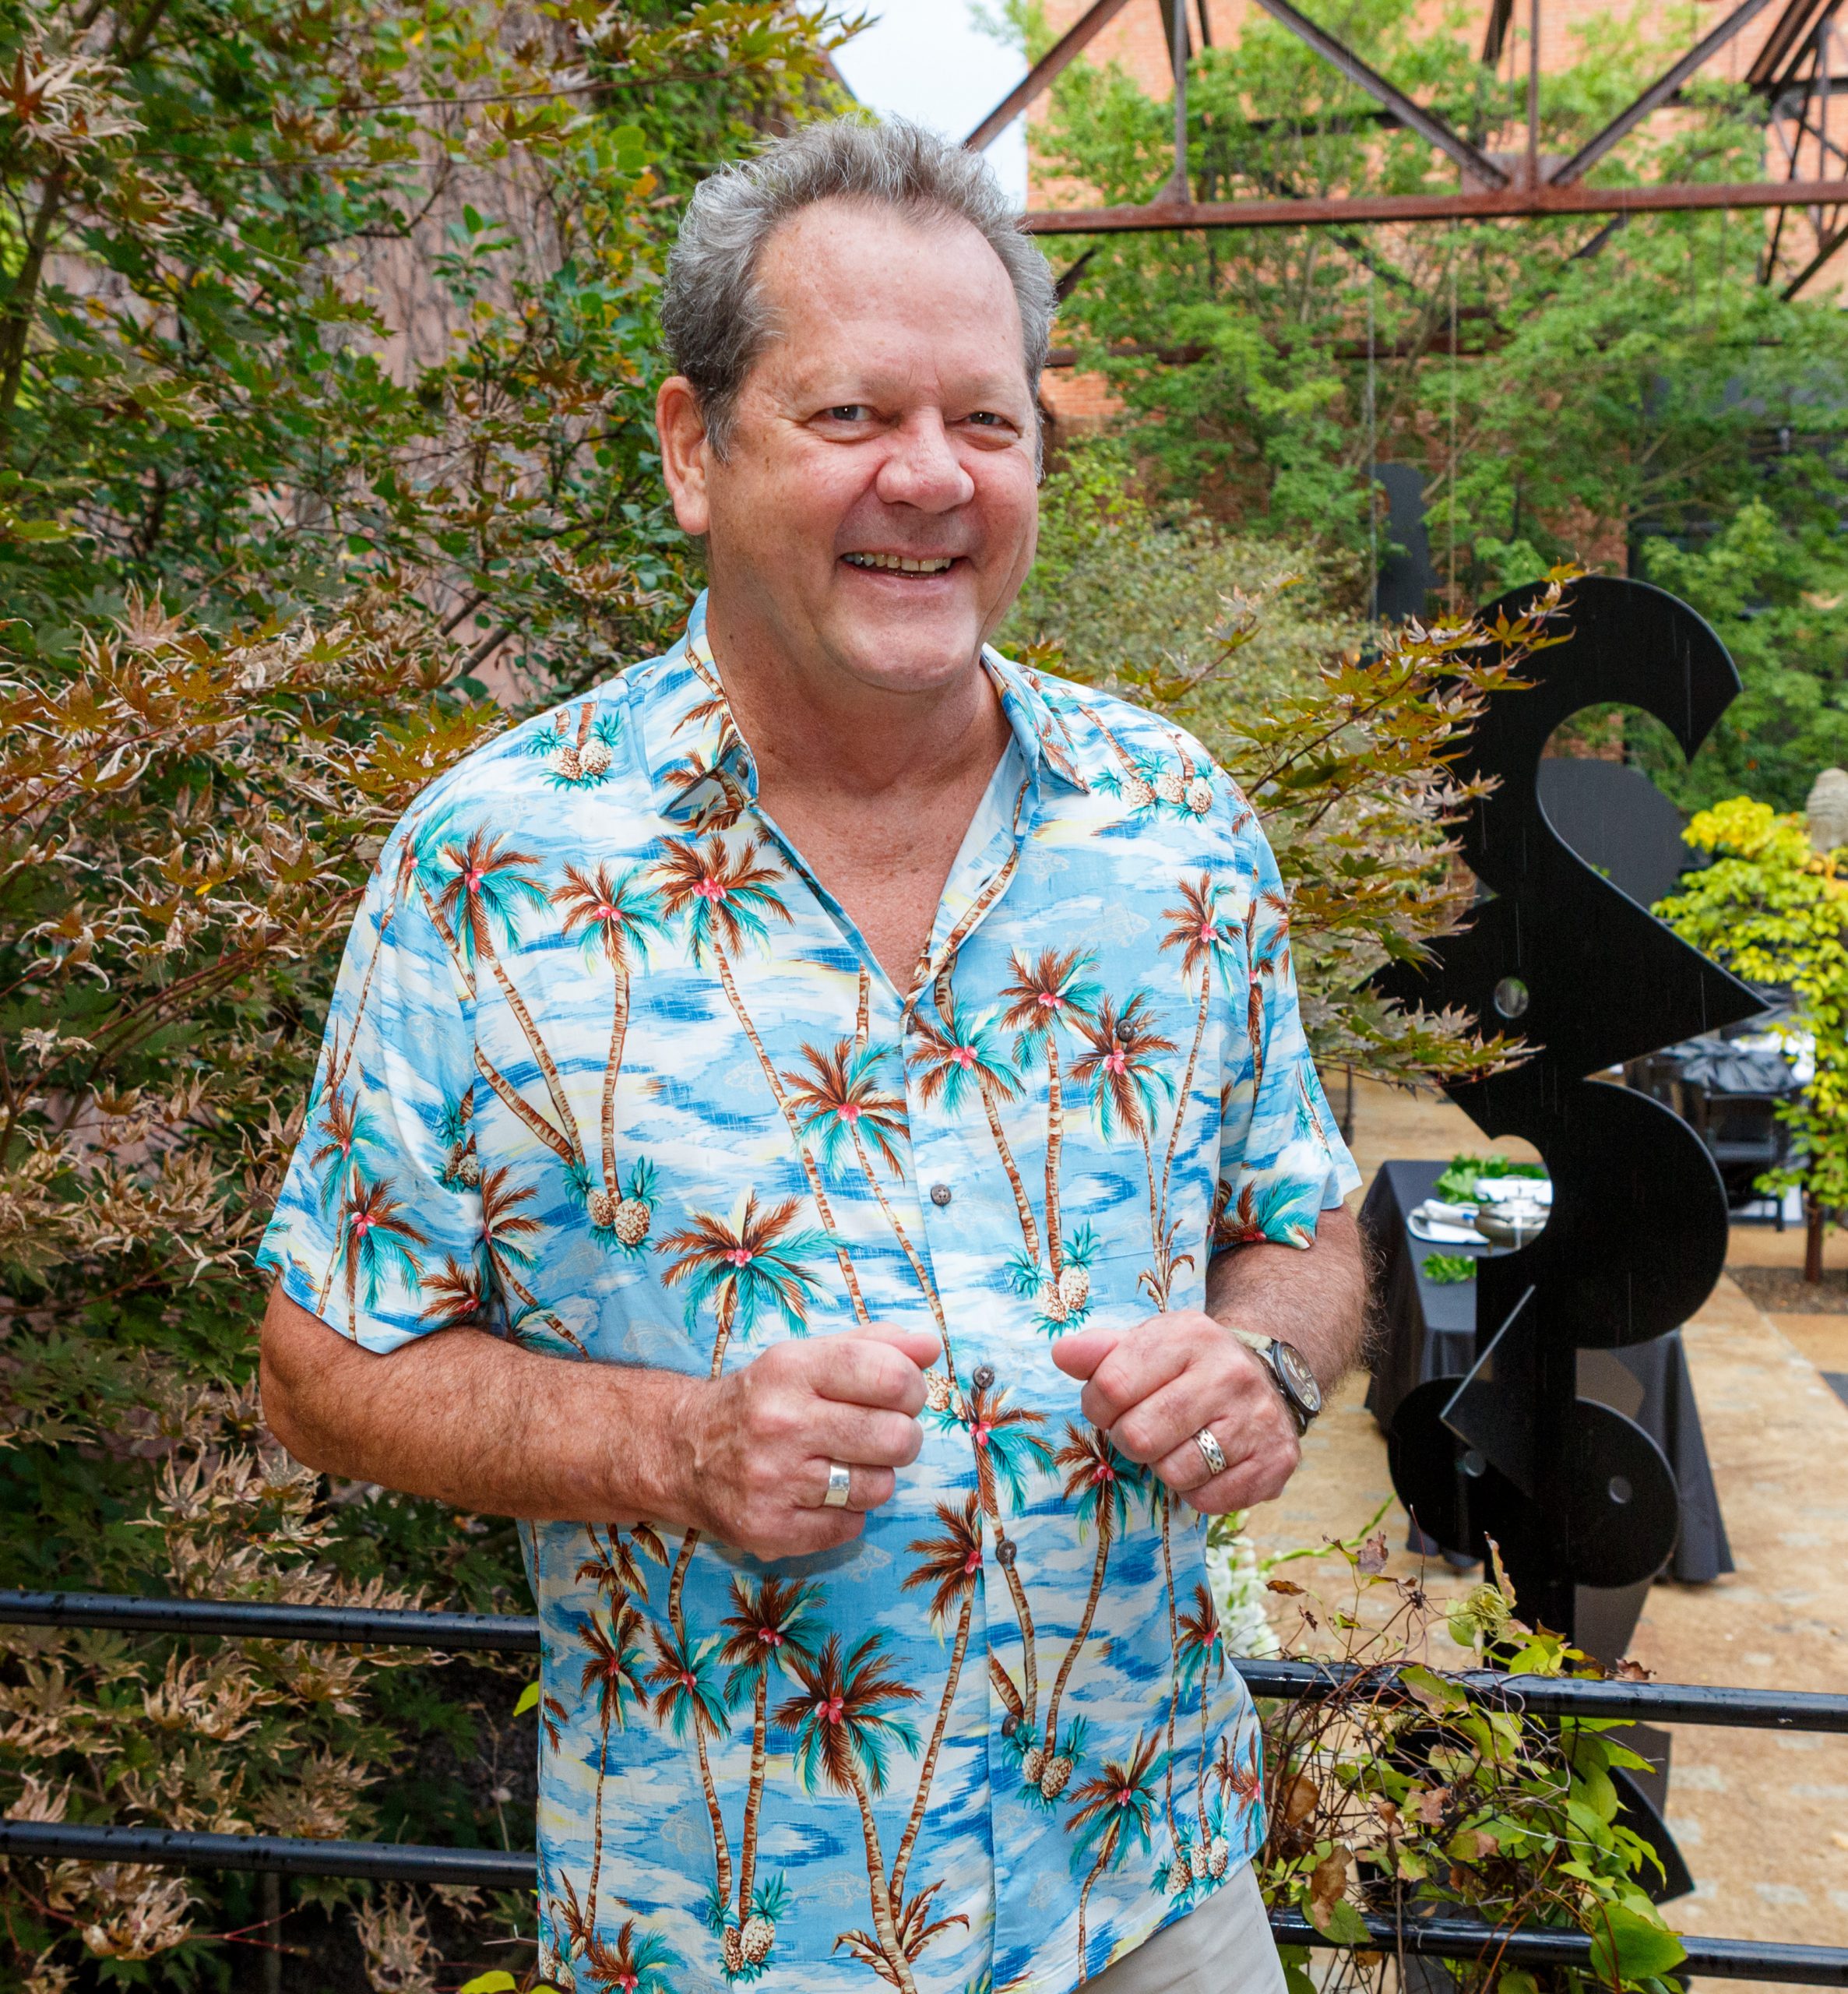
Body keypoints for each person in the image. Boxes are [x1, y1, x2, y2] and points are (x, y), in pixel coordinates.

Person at [259, 118, 1365, 1994]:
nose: (927, 476)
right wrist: (673, 1444)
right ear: (695, 450)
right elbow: (320, 1362)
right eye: (850, 413)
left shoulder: (1173, 820)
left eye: (986, 421)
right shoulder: (493, 864)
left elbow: (1304, 1220)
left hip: (1153, 1890)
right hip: (732, 1929)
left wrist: (1263, 1357)